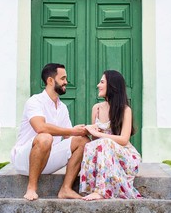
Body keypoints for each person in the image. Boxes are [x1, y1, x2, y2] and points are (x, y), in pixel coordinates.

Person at [11, 63, 88, 201]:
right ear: (50, 80)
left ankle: (66, 189)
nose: (66, 82)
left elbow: (68, 136)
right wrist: (72, 131)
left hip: (49, 158)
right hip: (25, 159)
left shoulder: (62, 107)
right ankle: (31, 188)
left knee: (82, 141)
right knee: (45, 137)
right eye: (63, 78)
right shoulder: (35, 101)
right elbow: (40, 127)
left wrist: (86, 130)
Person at [80, 70, 142, 200]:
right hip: (106, 155)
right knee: (90, 145)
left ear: (112, 86)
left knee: (105, 142)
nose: (98, 85)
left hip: (126, 156)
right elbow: (96, 140)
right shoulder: (96, 108)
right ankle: (89, 188)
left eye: (102, 82)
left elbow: (124, 140)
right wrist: (89, 130)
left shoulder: (125, 110)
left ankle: (101, 191)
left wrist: (98, 134)